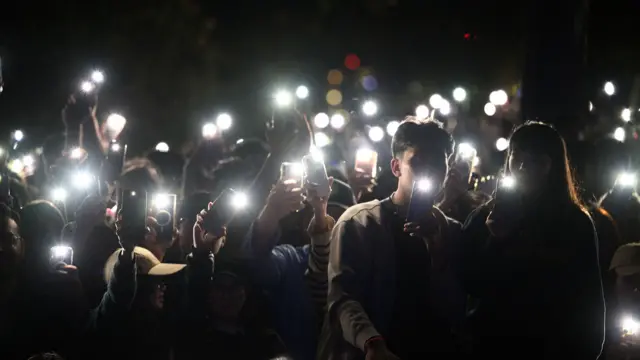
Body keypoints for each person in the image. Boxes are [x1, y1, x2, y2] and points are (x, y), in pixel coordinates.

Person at [320, 119, 465, 360]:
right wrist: (371, 342)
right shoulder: (358, 223)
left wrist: (437, 250)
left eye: (438, 163)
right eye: (418, 161)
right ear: (396, 167)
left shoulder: (452, 232)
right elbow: (342, 297)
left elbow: (456, 308)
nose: (429, 171)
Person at [461, 121, 605, 359]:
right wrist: (495, 240)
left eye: (535, 160)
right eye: (516, 156)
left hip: (552, 348)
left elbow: (587, 298)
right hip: (491, 345)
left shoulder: (573, 223)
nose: (522, 166)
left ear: (551, 166)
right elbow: (469, 282)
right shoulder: (486, 216)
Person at [245, 177, 336, 360]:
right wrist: (271, 212)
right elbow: (259, 260)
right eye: (320, 215)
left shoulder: (364, 266)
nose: (328, 224)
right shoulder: (292, 260)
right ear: (304, 225)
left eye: (337, 219)